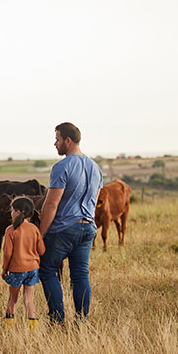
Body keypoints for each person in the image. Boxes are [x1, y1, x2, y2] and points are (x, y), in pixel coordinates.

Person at [38, 122, 104, 324]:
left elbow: (51, 205)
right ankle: (81, 320)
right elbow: (94, 200)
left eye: (57, 139)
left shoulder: (62, 167)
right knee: (80, 274)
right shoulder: (96, 168)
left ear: (68, 140)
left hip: (64, 229)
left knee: (47, 270)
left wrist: (39, 235)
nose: (55, 143)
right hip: (88, 227)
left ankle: (57, 320)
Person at [1, 196, 45, 329]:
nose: (11, 213)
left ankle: (8, 328)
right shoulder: (34, 229)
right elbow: (42, 250)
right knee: (28, 299)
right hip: (32, 269)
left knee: (12, 300)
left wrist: (4, 269)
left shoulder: (10, 230)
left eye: (12, 210)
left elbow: (7, 253)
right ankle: (32, 328)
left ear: (18, 212)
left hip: (16, 270)